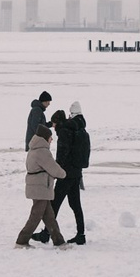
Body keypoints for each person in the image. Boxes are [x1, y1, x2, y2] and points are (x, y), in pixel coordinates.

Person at [18, 128, 70, 248]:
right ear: (45, 138)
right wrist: (63, 174)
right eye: (50, 137)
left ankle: (59, 242)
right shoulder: (42, 152)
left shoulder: (33, 149)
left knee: (49, 217)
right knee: (36, 216)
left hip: (37, 187)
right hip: (40, 188)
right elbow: (53, 167)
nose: (51, 139)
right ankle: (21, 240)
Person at [52, 101, 91, 244]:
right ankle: (81, 235)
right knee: (75, 205)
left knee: (54, 204)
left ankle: (46, 233)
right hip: (76, 173)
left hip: (66, 174)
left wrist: (56, 170)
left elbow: (62, 153)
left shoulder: (65, 131)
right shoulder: (81, 129)